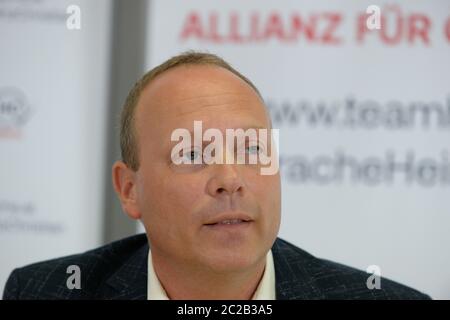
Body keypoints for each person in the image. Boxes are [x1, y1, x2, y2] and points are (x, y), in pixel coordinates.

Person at [3, 52, 430, 300]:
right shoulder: (42, 292)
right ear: (129, 189)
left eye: (252, 150)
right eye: (192, 153)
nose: (230, 178)